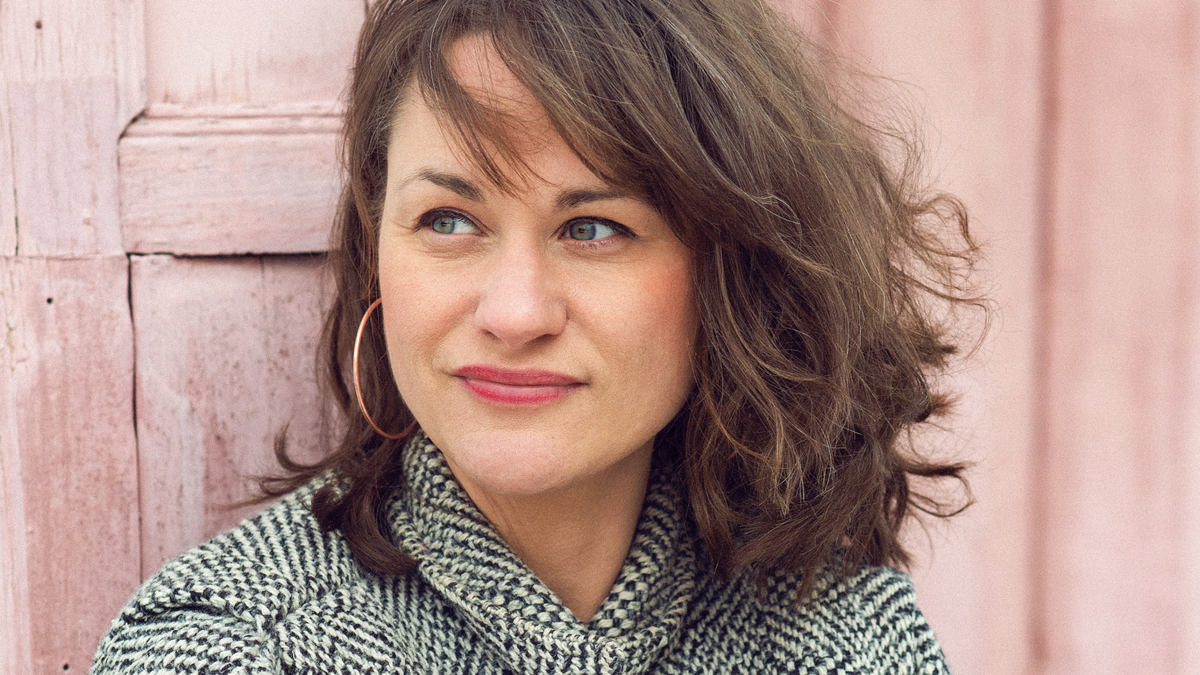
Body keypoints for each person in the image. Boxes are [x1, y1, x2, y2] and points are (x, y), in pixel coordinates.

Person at [94, 0, 978, 672]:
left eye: (592, 228)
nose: (514, 313)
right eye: (448, 220)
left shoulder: (841, 632)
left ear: (730, 275)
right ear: (376, 255)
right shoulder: (231, 646)